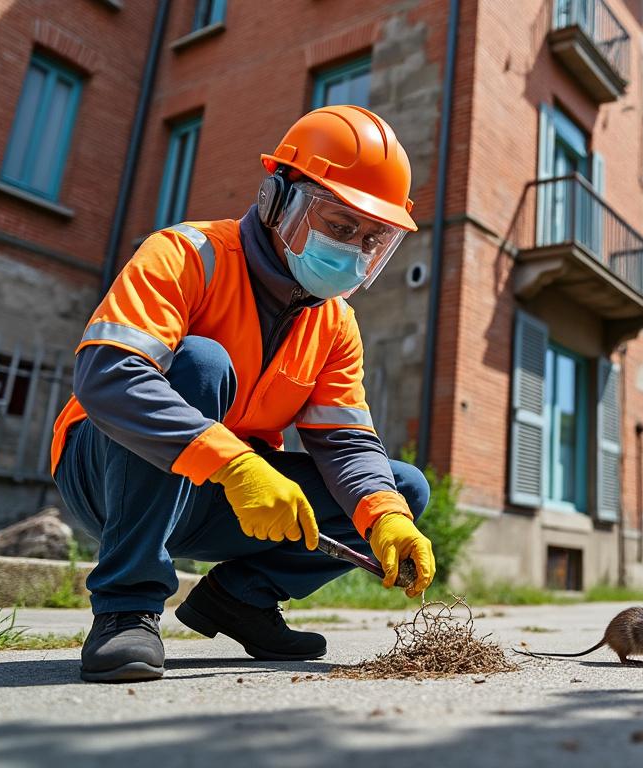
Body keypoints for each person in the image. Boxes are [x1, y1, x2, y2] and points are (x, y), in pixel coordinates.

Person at [52, 106, 436, 683]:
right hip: (106, 473)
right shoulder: (186, 254)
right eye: (339, 225)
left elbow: (347, 442)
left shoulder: (334, 323)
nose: (354, 250)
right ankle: (125, 609)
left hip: (218, 493)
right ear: (278, 199)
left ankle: (240, 600)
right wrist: (234, 466)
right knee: (199, 362)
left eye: (372, 239)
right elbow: (110, 375)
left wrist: (386, 519)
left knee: (400, 488)